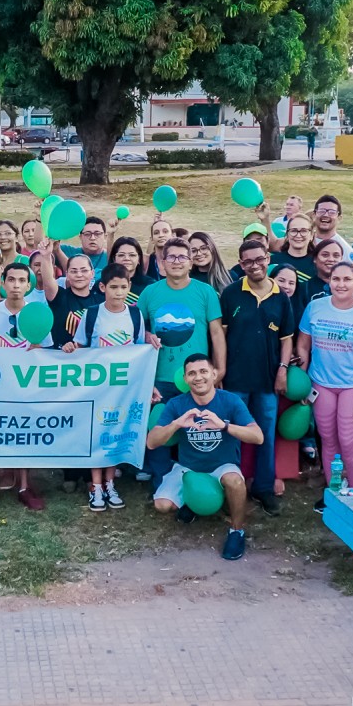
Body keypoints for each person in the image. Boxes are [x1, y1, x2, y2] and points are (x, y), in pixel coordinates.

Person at [148, 354, 263, 560]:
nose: (198, 377)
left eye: (203, 371)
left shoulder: (230, 400)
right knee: (162, 505)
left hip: (222, 466)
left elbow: (258, 436)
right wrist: (176, 424)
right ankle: (191, 503)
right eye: (192, 373)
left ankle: (236, 531)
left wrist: (225, 426)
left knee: (235, 482)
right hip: (188, 468)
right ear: (185, 378)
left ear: (214, 374)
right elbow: (152, 442)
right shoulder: (176, 404)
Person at [138, 238, 226, 489]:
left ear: (190, 262)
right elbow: (135, 327)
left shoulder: (205, 292)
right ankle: (161, 481)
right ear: (162, 263)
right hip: (160, 376)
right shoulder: (150, 293)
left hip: (198, 378)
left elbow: (217, 333)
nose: (176, 262)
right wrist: (145, 334)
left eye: (182, 257)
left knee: (199, 430)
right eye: (171, 257)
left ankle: (200, 481)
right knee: (160, 427)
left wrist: (220, 370)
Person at [219, 238, 295, 514]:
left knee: (265, 435)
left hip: (267, 379)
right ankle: (232, 488)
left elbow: (287, 340)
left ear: (268, 259)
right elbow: (221, 336)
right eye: (248, 261)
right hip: (236, 379)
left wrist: (283, 370)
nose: (255, 265)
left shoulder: (281, 297)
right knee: (232, 436)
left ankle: (263, 488)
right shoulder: (230, 294)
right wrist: (221, 371)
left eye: (260, 259)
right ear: (241, 264)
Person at [296, 261, 353, 508]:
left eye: (347, 279)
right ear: (328, 281)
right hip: (321, 384)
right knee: (327, 438)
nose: (341, 284)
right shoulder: (315, 308)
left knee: (349, 442)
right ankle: (333, 493)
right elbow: (302, 345)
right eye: (336, 279)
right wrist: (302, 381)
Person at [0, 262, 49, 514]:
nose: (16, 285)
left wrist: (39, 350)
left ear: (28, 285)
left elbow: (47, 349)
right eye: (11, 280)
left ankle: (25, 487)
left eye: (21, 280)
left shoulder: (38, 312)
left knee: (25, 433)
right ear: (3, 283)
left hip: (26, 387)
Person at [66, 264, 147, 511]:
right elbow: (80, 345)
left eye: (123, 287)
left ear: (129, 287)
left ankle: (110, 483)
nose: (119, 292)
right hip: (96, 389)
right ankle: (96, 485)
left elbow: (141, 350)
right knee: (96, 434)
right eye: (113, 287)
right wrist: (71, 348)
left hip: (123, 390)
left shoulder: (135, 316)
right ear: (102, 288)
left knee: (114, 433)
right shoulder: (91, 314)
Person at [37, 249, 103, 349]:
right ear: (67, 275)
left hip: (92, 361)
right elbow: (48, 281)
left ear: (92, 273)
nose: (79, 275)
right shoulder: (59, 296)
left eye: (84, 270)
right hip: (61, 359)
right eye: (74, 271)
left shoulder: (101, 300)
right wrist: (46, 256)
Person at [302, 239, 353, 309]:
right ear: (315, 258)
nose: (331, 259)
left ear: (341, 258)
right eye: (325, 255)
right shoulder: (306, 287)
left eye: (336, 256)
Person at [108, 237, 152, 306]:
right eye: (121, 255)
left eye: (132, 255)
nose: (127, 258)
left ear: (139, 259)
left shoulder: (150, 286)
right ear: (114, 259)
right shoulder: (103, 284)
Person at [312, 195, 353, 262]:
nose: (326, 215)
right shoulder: (303, 242)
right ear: (314, 215)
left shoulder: (346, 250)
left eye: (332, 212)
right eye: (321, 211)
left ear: (339, 218)